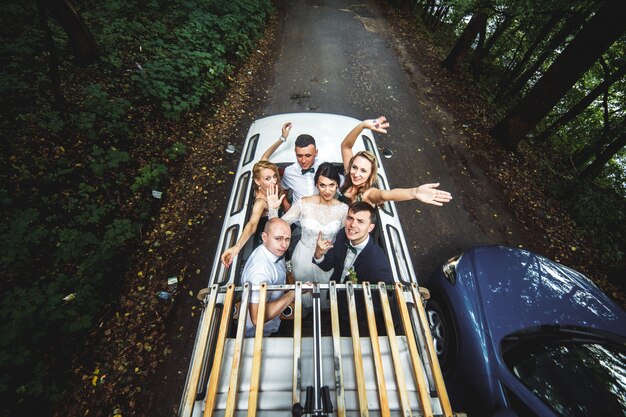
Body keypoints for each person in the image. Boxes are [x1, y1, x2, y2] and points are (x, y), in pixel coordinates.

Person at [267, 163, 348, 308]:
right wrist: (273, 210)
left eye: (332, 185)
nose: (327, 190)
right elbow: (281, 225)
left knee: (326, 298)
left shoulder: (343, 209)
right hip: (303, 257)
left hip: (328, 261)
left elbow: (344, 240)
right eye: (322, 185)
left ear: (337, 185)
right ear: (316, 184)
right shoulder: (303, 203)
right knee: (302, 297)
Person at [312, 202, 393, 335]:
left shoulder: (377, 262)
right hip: (335, 298)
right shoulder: (342, 235)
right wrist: (318, 253)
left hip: (356, 315)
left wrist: (356, 317)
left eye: (360, 221)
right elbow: (327, 266)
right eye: (350, 218)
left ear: (370, 227)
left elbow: (379, 302)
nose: (352, 225)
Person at [339, 116, 453, 206]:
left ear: (370, 175)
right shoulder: (349, 173)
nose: (356, 173)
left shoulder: (368, 194)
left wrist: (414, 192)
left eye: (363, 171)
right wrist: (362, 126)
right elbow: (346, 146)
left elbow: (386, 195)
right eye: (355, 167)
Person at [220, 145, 290, 267]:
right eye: (268, 178)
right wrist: (236, 248)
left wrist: (282, 138)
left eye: (274, 176)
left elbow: (265, 156)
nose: (274, 181)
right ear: (258, 181)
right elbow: (252, 225)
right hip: (271, 237)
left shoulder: (264, 175)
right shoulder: (260, 202)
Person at [241, 218, 295, 337]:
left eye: (287, 239)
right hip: (259, 334)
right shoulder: (259, 272)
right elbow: (256, 318)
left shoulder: (273, 249)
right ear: (264, 237)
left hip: (274, 320)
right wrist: (293, 293)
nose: (284, 245)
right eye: (278, 239)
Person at [281, 133, 324, 210]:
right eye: (299, 156)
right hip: (297, 220)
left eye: (308, 156)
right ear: (295, 152)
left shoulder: (325, 167)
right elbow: (284, 189)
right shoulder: (289, 171)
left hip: (321, 218)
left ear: (316, 152)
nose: (303, 161)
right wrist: (285, 203)